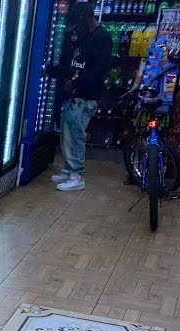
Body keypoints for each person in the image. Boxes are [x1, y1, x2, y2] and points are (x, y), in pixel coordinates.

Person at [52, 3, 112, 191]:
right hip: (74, 94)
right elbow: (74, 61)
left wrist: (76, 82)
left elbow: (99, 70)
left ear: (87, 19)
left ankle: (77, 176)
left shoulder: (102, 37)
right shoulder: (85, 35)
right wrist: (57, 72)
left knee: (76, 136)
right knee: (67, 133)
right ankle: (69, 170)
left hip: (86, 96)